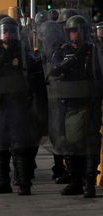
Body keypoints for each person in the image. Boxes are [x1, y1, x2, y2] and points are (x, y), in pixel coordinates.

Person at [0, 16, 42, 195]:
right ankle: (3, 181)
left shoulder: (23, 52)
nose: (7, 34)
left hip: (18, 105)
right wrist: (1, 58)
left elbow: (34, 70)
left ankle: (24, 183)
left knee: (20, 145)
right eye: (4, 31)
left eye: (11, 31)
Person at [44, 15, 102, 198]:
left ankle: (89, 182)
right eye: (72, 31)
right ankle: (75, 180)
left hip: (89, 103)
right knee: (70, 144)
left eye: (78, 31)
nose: (75, 34)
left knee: (90, 143)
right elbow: (53, 72)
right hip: (68, 105)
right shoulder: (62, 52)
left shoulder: (94, 51)